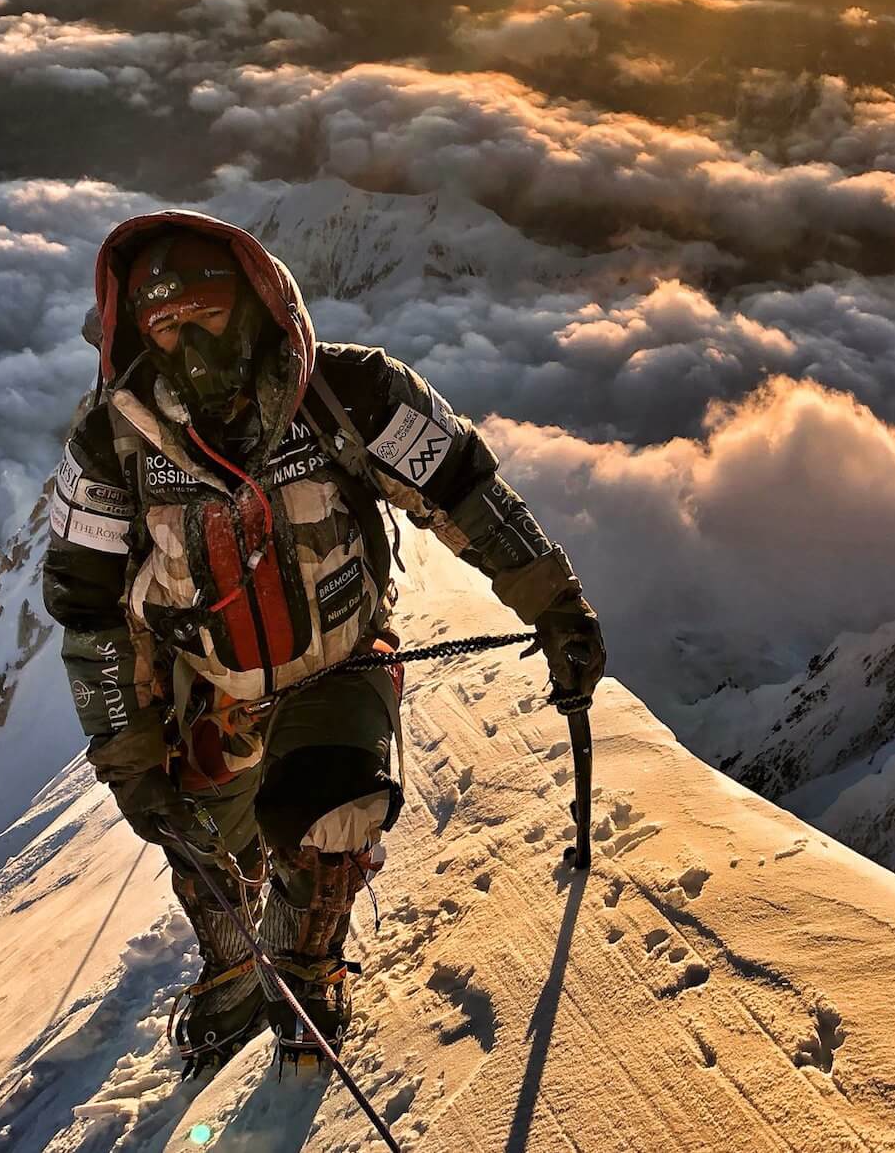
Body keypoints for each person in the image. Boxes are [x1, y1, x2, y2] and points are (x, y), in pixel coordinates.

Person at [42, 211, 606, 1075]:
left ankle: (306, 970)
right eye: (168, 326)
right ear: (138, 333)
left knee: (333, 812)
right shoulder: (108, 445)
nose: (191, 343)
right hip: (207, 687)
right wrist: (128, 757)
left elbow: (463, 488)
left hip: (338, 664)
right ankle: (235, 962)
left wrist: (555, 606)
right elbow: (87, 608)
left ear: (253, 301)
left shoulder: (353, 392)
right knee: (205, 847)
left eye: (206, 314)